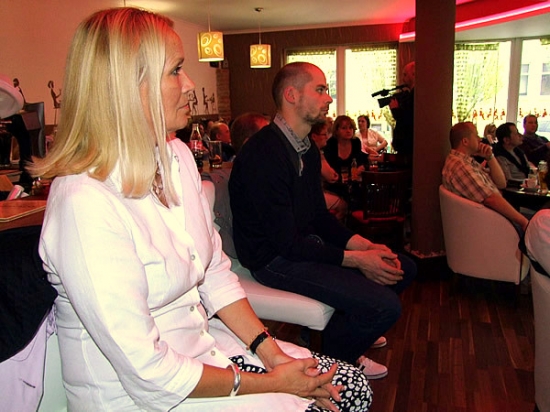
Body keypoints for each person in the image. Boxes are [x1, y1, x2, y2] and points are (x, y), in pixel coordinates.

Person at [29, 8, 372, 411]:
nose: (190, 84)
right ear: (127, 85)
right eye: (176, 70)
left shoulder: (175, 157)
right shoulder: (83, 201)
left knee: (352, 388)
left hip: (203, 351)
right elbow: (148, 372)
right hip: (142, 396)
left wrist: (272, 354)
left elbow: (214, 273)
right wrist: (273, 383)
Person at [229, 61, 417, 380]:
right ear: (291, 95)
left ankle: (336, 337)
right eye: (320, 90)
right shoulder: (264, 154)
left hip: (300, 247)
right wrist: (356, 260)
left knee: (404, 267)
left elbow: (318, 216)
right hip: (273, 260)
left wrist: (365, 246)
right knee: (384, 306)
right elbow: (286, 244)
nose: (328, 98)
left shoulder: (306, 150)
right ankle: (332, 365)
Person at [442, 122, 529, 232]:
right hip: (488, 224)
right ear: (465, 141)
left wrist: (490, 157)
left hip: (490, 219)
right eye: (476, 135)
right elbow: (491, 199)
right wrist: (523, 222)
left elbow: (501, 183)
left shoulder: (465, 161)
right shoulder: (461, 166)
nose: (480, 139)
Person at [309, 121, 348, 221]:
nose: (327, 137)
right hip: (312, 196)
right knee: (343, 205)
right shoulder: (315, 152)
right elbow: (331, 177)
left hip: (309, 194)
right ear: (314, 136)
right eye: (324, 134)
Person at [323, 115, 369, 199]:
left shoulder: (356, 142)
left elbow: (360, 161)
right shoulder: (330, 144)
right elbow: (331, 170)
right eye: (344, 128)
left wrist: (361, 167)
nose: (348, 131)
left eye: (350, 128)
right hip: (334, 185)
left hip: (353, 184)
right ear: (336, 130)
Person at [389, 61, 415, 157]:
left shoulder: (415, 96)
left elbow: (407, 119)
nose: (403, 78)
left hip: (408, 147)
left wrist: (395, 109)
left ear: (414, 74)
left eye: (405, 74)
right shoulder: (411, 94)